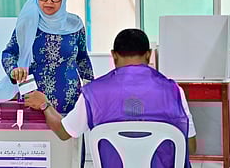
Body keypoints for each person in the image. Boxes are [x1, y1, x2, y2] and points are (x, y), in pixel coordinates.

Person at [25, 28, 197, 168]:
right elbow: (191, 146)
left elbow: (64, 133)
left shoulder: (93, 93)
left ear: (114, 55)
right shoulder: (173, 90)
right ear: (148, 54)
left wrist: (44, 105)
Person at [2, 0, 94, 114]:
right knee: (36, 137)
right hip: (33, 101)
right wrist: (14, 70)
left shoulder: (75, 25)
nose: (49, 1)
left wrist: (91, 92)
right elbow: (9, 53)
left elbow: (82, 59)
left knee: (67, 135)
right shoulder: (28, 24)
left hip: (69, 102)